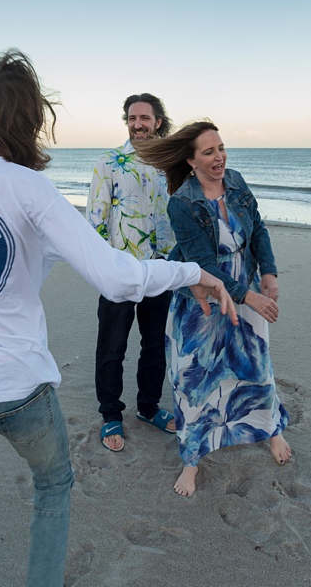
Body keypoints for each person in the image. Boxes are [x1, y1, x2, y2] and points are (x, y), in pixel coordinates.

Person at [0, 50, 236, 587]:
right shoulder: (27, 187)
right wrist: (191, 272)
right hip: (18, 387)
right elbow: (118, 277)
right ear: (25, 120)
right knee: (51, 487)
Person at [135, 120, 291, 497]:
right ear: (191, 161)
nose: (219, 157)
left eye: (220, 148)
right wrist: (249, 296)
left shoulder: (235, 181)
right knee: (195, 379)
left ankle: (271, 430)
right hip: (202, 298)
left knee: (255, 365)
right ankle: (192, 460)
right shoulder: (182, 203)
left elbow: (259, 229)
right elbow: (202, 261)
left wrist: (267, 273)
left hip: (246, 284)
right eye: (208, 152)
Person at [86, 93, 178, 452]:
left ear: (158, 121)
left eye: (145, 118)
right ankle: (111, 414)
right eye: (131, 118)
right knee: (112, 347)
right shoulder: (109, 162)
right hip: (119, 271)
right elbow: (95, 219)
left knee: (155, 345)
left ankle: (149, 407)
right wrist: (101, 268)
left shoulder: (172, 163)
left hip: (160, 269)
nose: (137, 123)